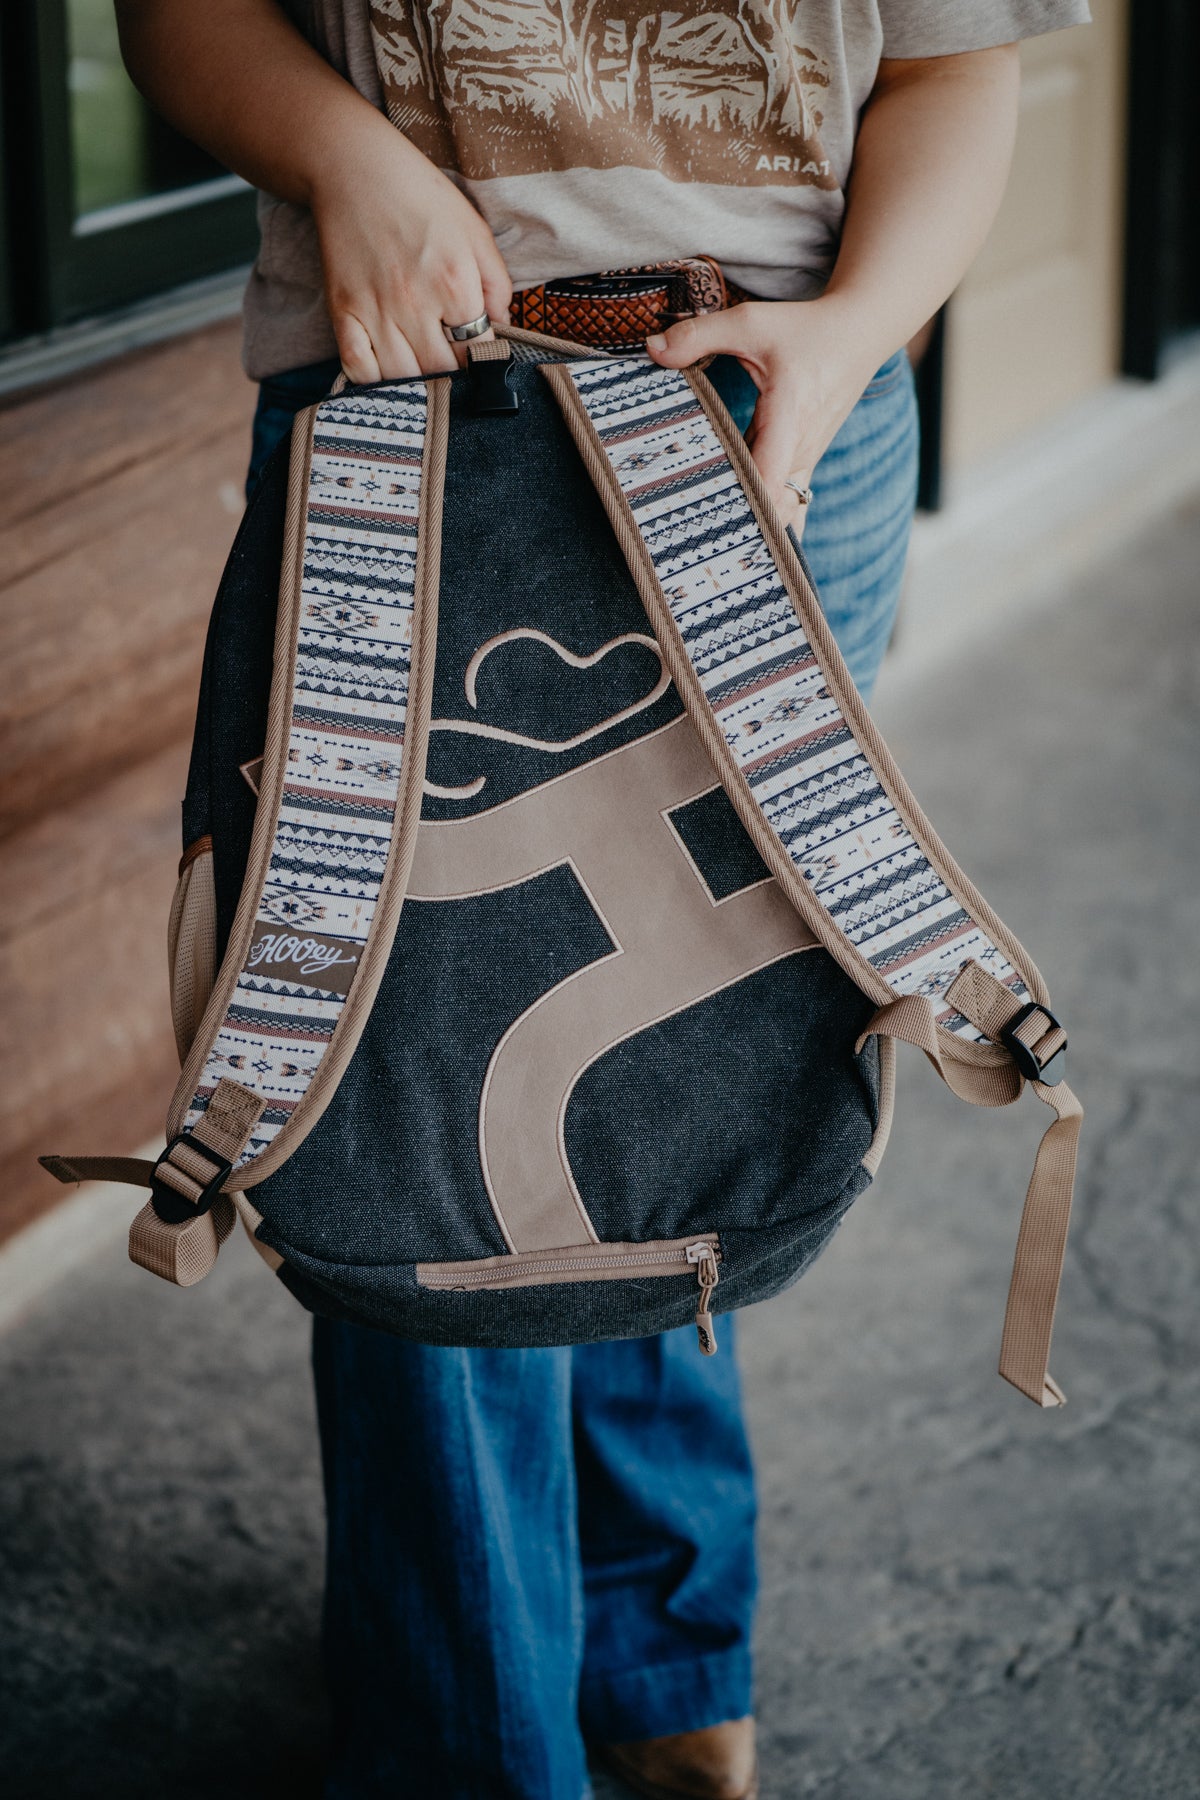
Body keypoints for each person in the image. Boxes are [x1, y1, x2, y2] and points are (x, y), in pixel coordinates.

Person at [116, 3, 1091, 1794]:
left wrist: (854, 333)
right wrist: (347, 159)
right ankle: (477, 1742)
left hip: (776, 411)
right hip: (403, 396)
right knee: (415, 1116)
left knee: (695, 1047)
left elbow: (954, 56)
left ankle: (662, 1645)